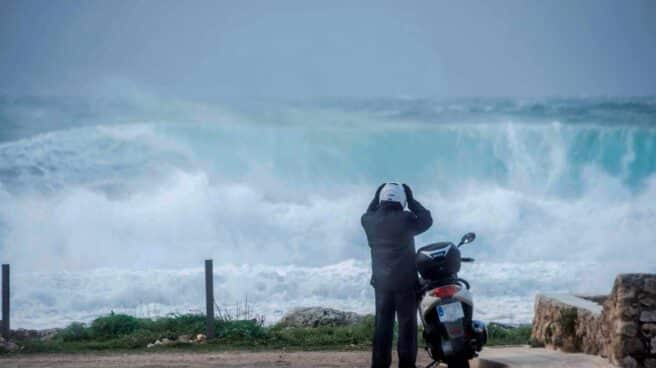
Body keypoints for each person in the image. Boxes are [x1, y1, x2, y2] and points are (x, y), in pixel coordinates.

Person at [361, 182, 433, 368]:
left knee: (382, 329)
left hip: (382, 285)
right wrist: (412, 199)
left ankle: (379, 365)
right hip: (406, 283)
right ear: (401, 200)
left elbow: (370, 210)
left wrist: (376, 197)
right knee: (406, 329)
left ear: (380, 199)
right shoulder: (407, 219)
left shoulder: (369, 220)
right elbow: (426, 219)